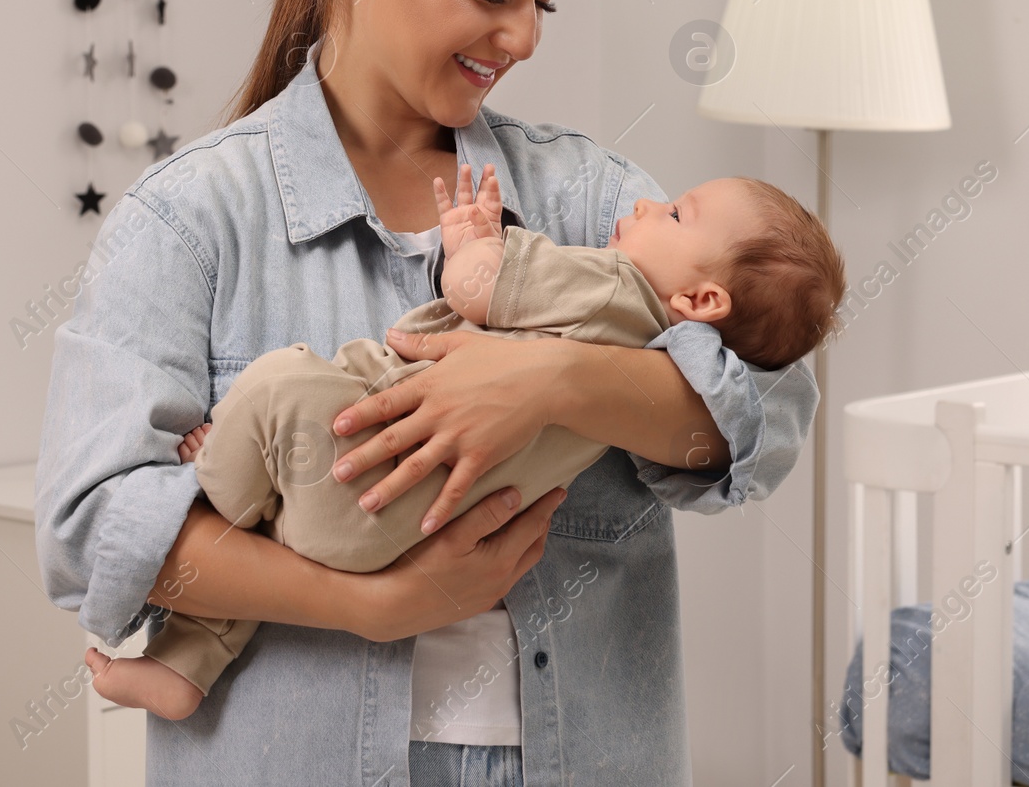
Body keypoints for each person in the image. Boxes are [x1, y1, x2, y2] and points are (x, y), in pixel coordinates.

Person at [34, 0, 821, 786]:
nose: (526, 35)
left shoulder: (591, 196)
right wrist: (372, 602)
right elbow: (91, 531)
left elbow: (768, 410)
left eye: (543, 0)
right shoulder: (191, 217)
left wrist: (547, 383)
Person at [82, 163, 845, 720]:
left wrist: (474, 241)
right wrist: (371, 603)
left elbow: (477, 286)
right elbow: (87, 533)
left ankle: (217, 473)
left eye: (675, 213)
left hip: (360, 472)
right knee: (275, 514)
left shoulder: (610, 280)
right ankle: (185, 664)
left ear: (703, 299)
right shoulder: (663, 347)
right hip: (395, 526)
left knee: (281, 382)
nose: (648, 201)